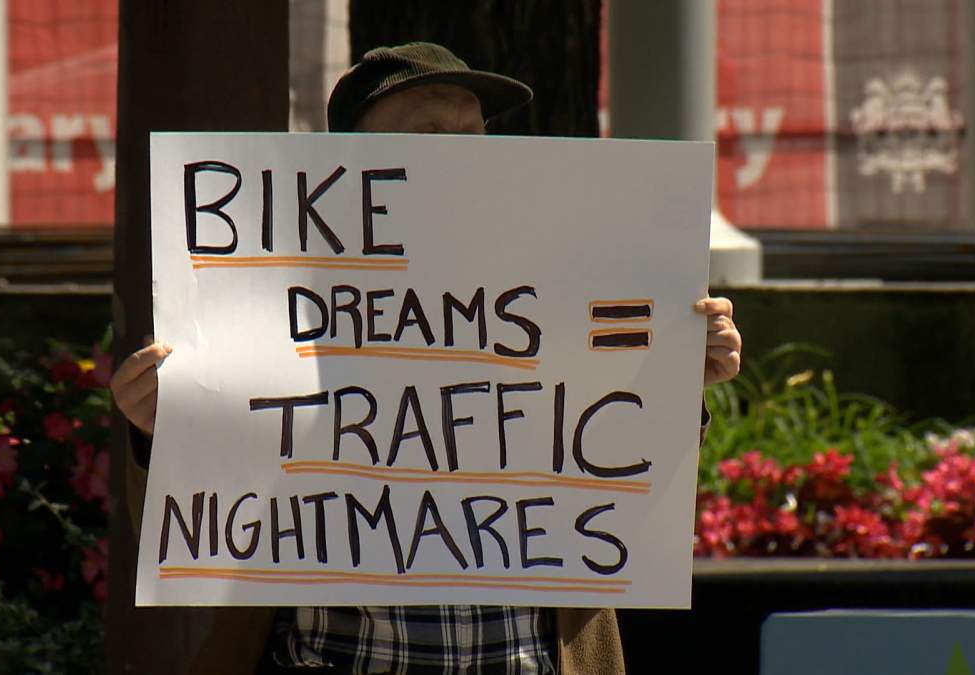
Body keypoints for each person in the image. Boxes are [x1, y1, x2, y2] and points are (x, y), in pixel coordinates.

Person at [114, 42, 743, 675]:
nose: (460, 158)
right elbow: (197, 533)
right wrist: (161, 435)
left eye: (473, 137)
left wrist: (668, 381)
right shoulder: (274, 310)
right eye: (430, 137)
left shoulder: (559, 292)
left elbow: (623, 491)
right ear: (349, 165)